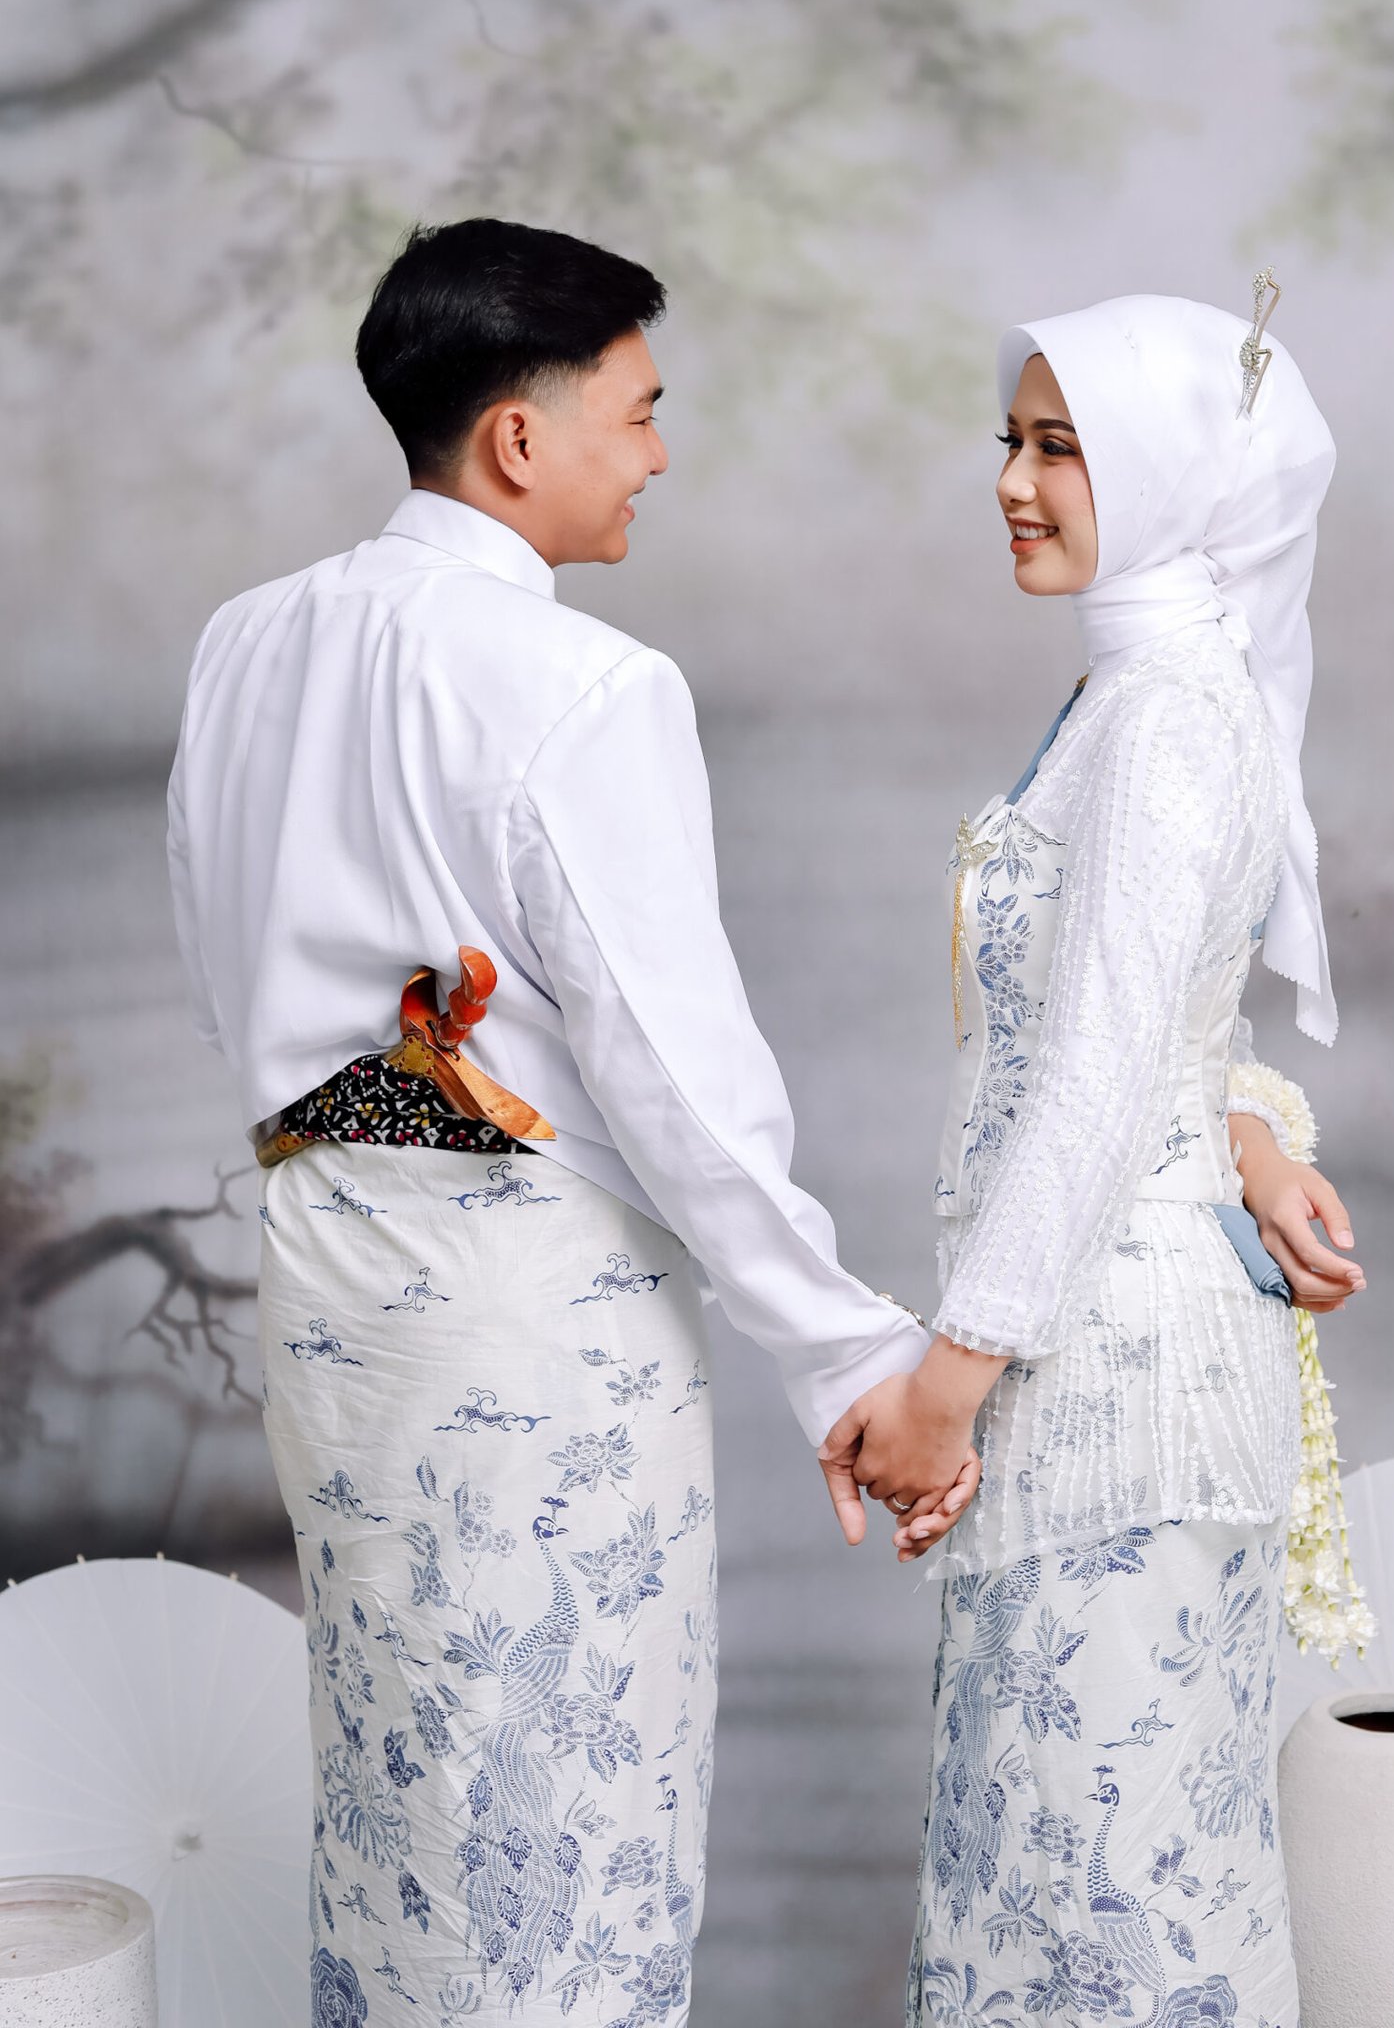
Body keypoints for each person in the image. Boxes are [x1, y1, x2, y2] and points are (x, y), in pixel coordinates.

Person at [165, 219, 972, 2025]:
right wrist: (850, 1356)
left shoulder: (242, 645)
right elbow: (678, 1080)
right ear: (519, 437)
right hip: (528, 1316)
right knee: (565, 1803)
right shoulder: (583, 683)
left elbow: (225, 980)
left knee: (402, 1790)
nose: (661, 454)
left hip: (327, 1280)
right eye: (641, 411)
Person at [825, 284, 1364, 2024]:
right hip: (1088, 1362)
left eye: (1062, 448)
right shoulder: (1131, 698)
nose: (1012, 481)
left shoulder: (1167, 719)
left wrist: (949, 1378)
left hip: (1117, 1388)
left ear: (1174, 473)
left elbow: (1097, 1078)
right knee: (1062, 1898)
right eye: (1012, 439)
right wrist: (1250, 1131)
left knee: (1114, 1922)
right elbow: (1166, 1030)